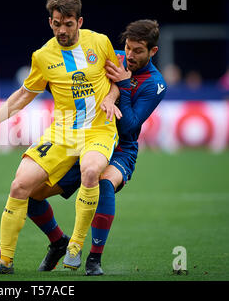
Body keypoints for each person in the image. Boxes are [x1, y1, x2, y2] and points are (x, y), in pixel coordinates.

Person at [0, 0, 120, 274]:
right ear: (50, 22)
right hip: (62, 133)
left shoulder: (100, 43)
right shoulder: (43, 56)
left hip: (99, 129)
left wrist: (111, 97)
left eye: (69, 23)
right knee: (19, 186)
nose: (62, 29)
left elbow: (117, 81)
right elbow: (24, 95)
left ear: (80, 22)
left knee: (90, 172)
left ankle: (75, 247)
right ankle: (5, 261)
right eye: (57, 23)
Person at [27, 19, 167, 275]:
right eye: (128, 48)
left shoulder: (154, 85)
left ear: (153, 52)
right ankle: (58, 243)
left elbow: (129, 127)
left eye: (138, 51)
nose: (130, 56)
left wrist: (123, 85)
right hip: (84, 140)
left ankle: (94, 259)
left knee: (103, 183)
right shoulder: (113, 57)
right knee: (30, 194)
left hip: (121, 149)